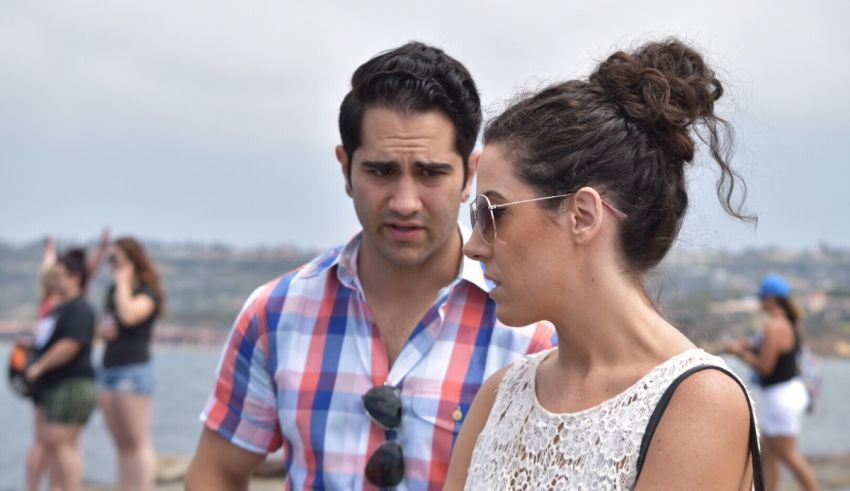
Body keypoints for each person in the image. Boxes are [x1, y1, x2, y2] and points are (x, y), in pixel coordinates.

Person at [186, 41, 555, 490]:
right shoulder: (275, 316)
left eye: (429, 173)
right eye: (381, 172)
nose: (404, 202)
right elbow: (216, 472)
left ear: (468, 176)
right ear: (345, 170)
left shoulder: (532, 334)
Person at [445, 38, 763, 490]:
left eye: (492, 214)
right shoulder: (500, 396)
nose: (473, 245)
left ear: (583, 215)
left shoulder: (698, 402)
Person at [25, 231, 109, 491]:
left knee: (64, 447)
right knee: (55, 446)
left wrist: (39, 366)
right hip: (56, 386)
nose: (53, 282)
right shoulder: (58, 307)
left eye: (59, 277)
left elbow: (70, 344)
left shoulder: (79, 308)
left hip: (72, 385)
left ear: (74, 278)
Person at [725, 275, 819, 490]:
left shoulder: (775, 326)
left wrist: (740, 353)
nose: (760, 302)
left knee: (788, 455)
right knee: (768, 455)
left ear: (772, 299)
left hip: (782, 397)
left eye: (762, 297)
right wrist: (746, 347)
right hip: (785, 394)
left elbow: (765, 366)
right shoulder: (786, 323)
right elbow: (761, 347)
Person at [97, 237, 166, 491]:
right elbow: (107, 326)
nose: (114, 265)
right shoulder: (112, 292)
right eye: (111, 259)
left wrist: (123, 282)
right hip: (109, 368)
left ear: (133, 261)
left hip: (134, 370)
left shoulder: (146, 292)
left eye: (119, 259)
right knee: (121, 443)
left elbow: (129, 314)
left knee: (138, 441)